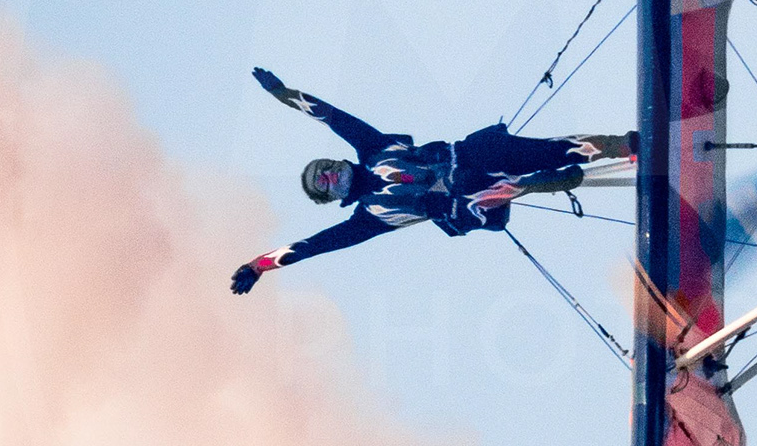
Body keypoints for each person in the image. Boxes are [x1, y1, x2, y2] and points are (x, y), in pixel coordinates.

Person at [230, 68, 634, 293]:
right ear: (330, 195)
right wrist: (258, 265)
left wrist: (284, 93)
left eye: (327, 166)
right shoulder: (367, 218)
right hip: (470, 204)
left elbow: (331, 116)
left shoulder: (372, 150)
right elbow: (312, 246)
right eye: (325, 181)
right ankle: (548, 181)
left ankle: (619, 145)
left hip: (472, 158)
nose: (331, 173)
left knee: (508, 151)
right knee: (487, 189)